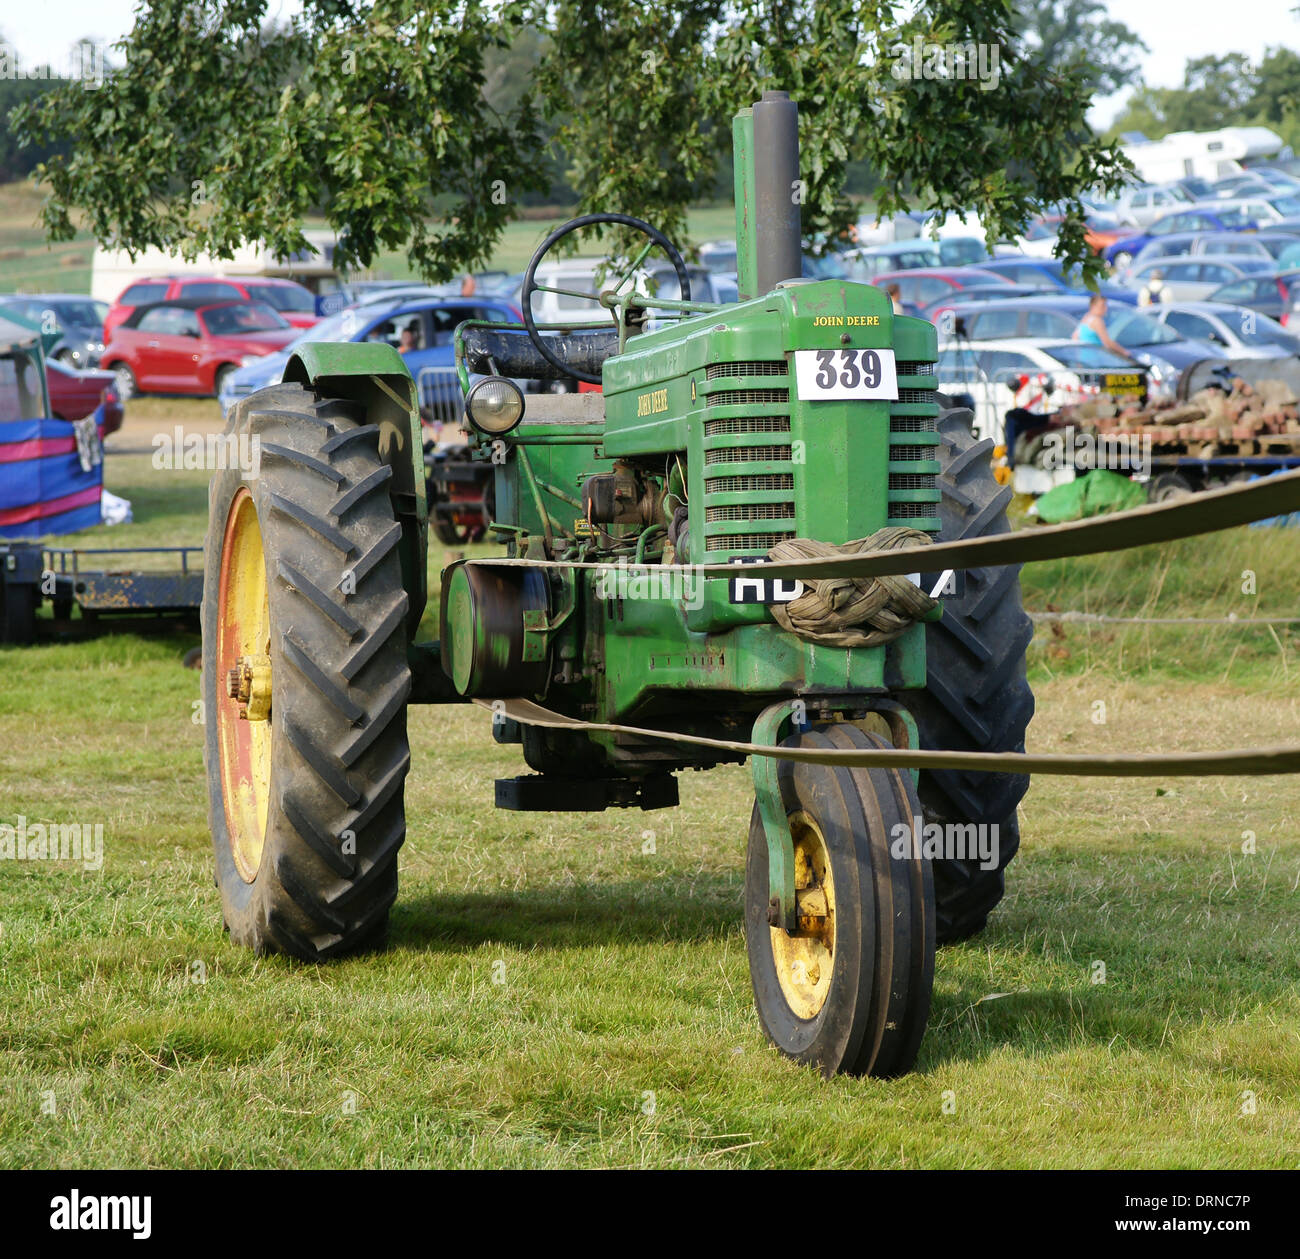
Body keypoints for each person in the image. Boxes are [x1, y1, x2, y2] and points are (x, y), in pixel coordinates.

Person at [1073, 294, 1135, 361]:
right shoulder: (1097, 321)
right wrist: (1125, 352)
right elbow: (1107, 342)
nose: (1105, 308)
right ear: (1093, 306)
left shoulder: (1086, 317)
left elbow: (1075, 337)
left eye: (1105, 305)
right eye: (1102, 306)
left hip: (1084, 359)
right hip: (1096, 359)